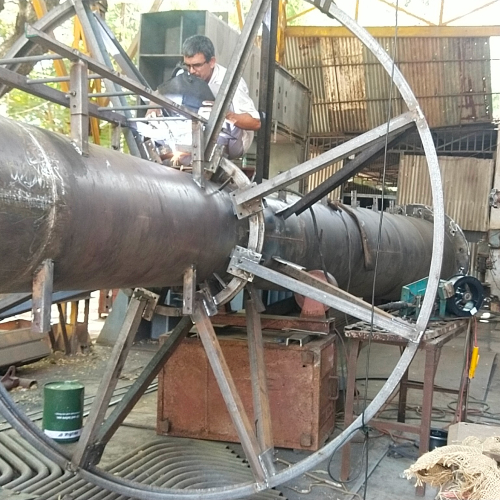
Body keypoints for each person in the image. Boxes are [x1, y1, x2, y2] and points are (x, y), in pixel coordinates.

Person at [181, 34, 261, 159]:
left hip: (234, 142)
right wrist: (154, 109)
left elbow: (255, 123)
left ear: (212, 62)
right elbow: (160, 93)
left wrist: (224, 113)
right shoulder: (186, 74)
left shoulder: (231, 83)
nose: (191, 71)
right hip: (199, 136)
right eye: (188, 65)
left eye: (197, 65)